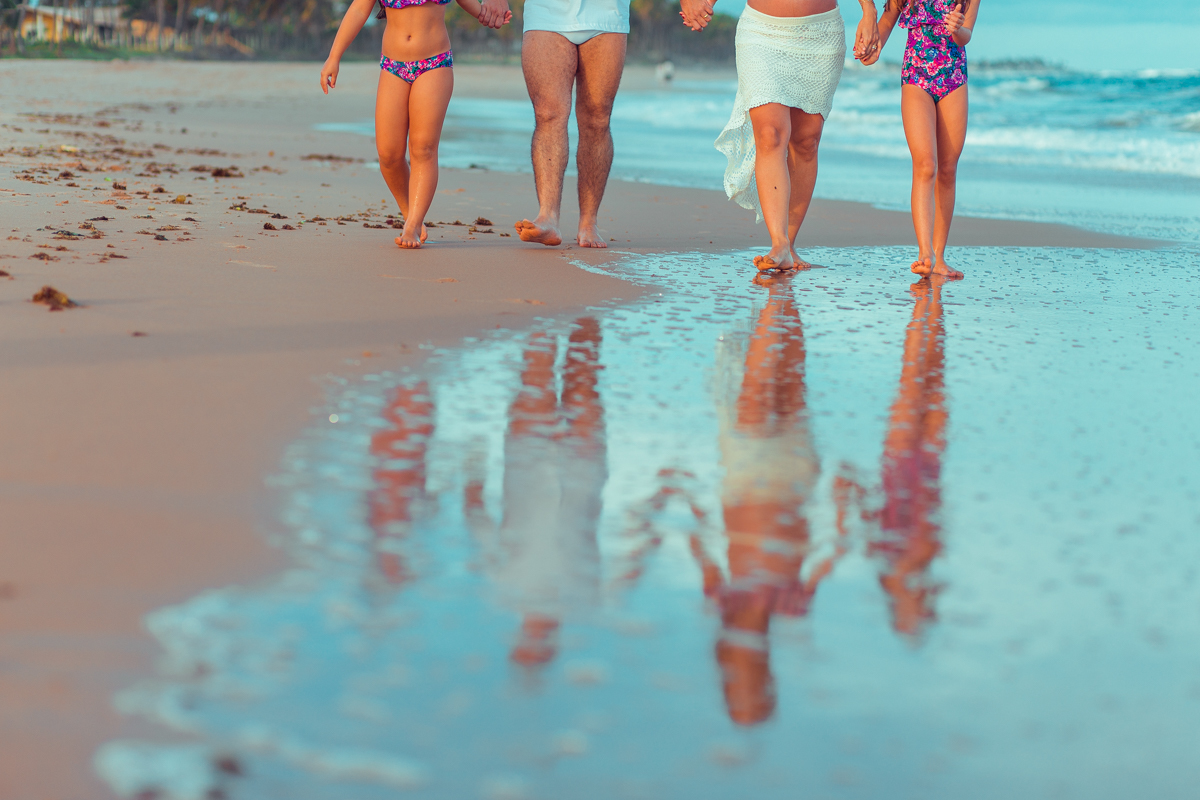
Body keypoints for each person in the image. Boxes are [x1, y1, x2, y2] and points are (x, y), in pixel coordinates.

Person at [685, 0, 881, 271]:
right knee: (770, 135)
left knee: (806, 143)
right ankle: (778, 243)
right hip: (761, 31)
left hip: (821, 34)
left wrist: (869, 11)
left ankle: (788, 244)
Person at [320, 0, 511, 249]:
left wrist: (487, 14)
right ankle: (410, 211)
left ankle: (412, 224)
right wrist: (334, 57)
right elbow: (358, 9)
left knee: (423, 148)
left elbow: (469, 3)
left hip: (434, 63)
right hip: (393, 66)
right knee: (388, 155)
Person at [862, 0, 981, 278]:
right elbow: (889, 18)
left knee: (948, 169)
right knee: (926, 164)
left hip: (953, 75)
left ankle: (939, 257)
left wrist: (958, 29)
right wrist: (874, 45)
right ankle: (924, 252)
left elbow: (967, 35)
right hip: (916, 74)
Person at [513, 0, 631, 248]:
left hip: (607, 13)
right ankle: (548, 217)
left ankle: (589, 222)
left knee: (597, 117)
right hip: (545, 10)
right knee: (547, 113)